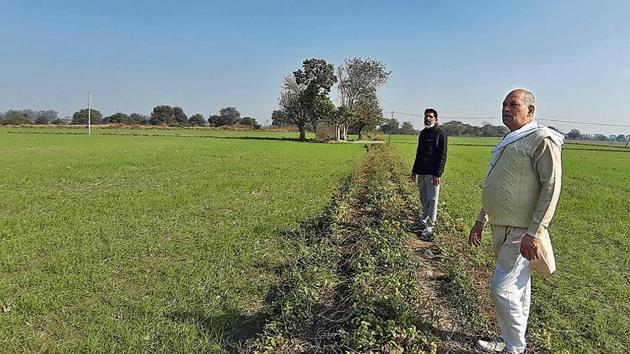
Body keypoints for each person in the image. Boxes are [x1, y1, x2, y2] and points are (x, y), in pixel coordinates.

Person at [469, 89, 564, 354]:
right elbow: (497, 185)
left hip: (522, 231)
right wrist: (481, 219)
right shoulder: (510, 140)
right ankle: (511, 340)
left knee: (502, 289)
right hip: (502, 227)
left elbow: (551, 186)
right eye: (504, 104)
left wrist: (534, 232)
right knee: (518, 288)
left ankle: (515, 347)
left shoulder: (541, 139)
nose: (506, 109)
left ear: (530, 111)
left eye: (514, 104)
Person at [411, 108, 448, 240]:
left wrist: (438, 174)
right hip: (421, 172)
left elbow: (442, 155)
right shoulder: (423, 133)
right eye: (426, 116)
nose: (428, 118)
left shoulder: (440, 134)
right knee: (423, 199)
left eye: (431, 117)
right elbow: (419, 153)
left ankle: (430, 226)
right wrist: (414, 169)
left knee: (432, 200)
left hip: (432, 174)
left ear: (436, 119)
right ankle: (423, 221)